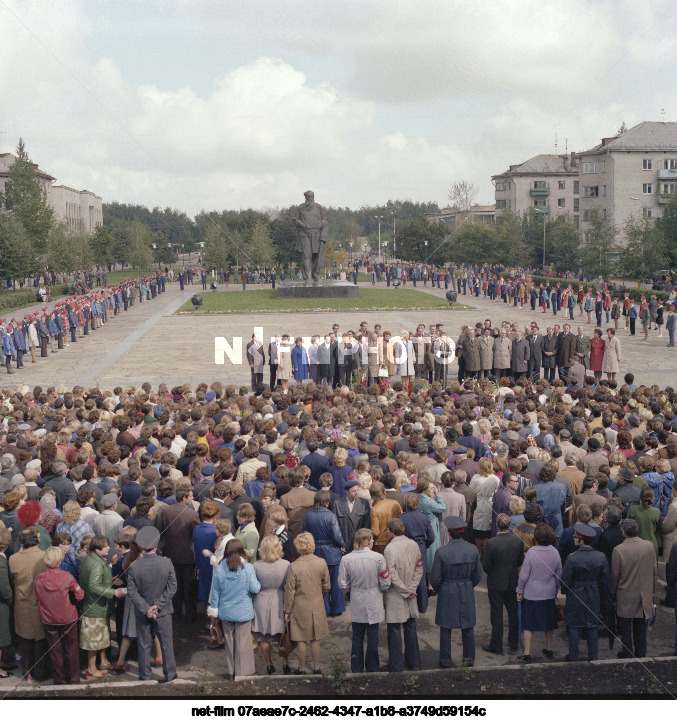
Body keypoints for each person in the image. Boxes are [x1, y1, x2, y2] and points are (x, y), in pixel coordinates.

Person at [125, 526, 178, 682]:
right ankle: (170, 675)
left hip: (142, 612)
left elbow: (131, 591)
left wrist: (146, 608)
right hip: (164, 611)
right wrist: (158, 605)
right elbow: (172, 587)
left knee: (143, 645)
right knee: (166, 645)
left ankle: (145, 676)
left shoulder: (134, 566)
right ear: (156, 545)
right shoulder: (167, 563)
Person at [430, 516, 483, 668]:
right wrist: (467, 584)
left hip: (448, 589)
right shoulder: (472, 550)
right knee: (467, 627)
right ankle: (468, 660)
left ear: (449, 533)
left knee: (445, 628)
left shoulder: (442, 552)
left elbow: (435, 579)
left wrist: (443, 588)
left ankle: (445, 660)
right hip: (466, 589)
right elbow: (478, 575)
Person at [338, 528, 391, 673]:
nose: (374, 541)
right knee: (373, 637)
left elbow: (342, 584)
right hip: (374, 599)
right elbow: (385, 582)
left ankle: (356, 667)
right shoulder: (378, 558)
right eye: (372, 539)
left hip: (357, 600)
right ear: (366, 541)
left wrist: (350, 591)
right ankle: (373, 668)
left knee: (357, 637)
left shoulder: (346, 559)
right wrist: (380, 588)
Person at [208, 538, 261, 680]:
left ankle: (231, 672)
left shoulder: (220, 568)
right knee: (243, 643)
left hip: (226, 612)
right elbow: (255, 588)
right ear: (241, 551)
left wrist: (213, 610)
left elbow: (216, 593)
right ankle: (242, 672)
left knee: (229, 642)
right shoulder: (248, 568)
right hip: (243, 612)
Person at [34, 546, 84, 684]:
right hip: (68, 617)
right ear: (60, 559)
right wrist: (73, 600)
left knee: (55, 652)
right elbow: (80, 594)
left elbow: (38, 597)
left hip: (49, 620)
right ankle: (74, 680)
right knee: (72, 650)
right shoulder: (68, 577)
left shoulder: (39, 578)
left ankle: (59, 681)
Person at [560, 523, 609, 662]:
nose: (574, 538)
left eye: (576, 537)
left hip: (575, 593)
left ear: (581, 541)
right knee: (592, 626)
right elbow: (605, 580)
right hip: (593, 593)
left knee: (574, 626)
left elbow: (565, 581)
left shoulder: (572, 558)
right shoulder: (600, 557)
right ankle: (593, 657)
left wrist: (565, 591)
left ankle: (574, 656)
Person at [283, 532, 331, 675]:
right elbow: (327, 586)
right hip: (317, 604)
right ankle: (316, 667)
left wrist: (287, 610)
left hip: (299, 606)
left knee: (301, 639)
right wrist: (319, 595)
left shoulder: (294, 566)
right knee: (315, 638)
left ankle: (302, 668)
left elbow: (290, 591)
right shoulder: (321, 562)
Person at [79, 534, 126, 678]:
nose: (109, 548)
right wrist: (114, 592)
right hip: (95, 607)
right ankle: (91, 669)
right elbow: (93, 586)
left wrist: (110, 580)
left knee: (102, 636)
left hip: (96, 606)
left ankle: (104, 662)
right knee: (93, 639)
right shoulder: (96, 564)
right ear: (96, 548)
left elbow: (94, 581)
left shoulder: (91, 559)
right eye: (105, 546)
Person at [610, 518, 657, 659]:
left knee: (625, 628)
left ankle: (627, 652)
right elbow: (654, 571)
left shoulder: (618, 550)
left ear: (623, 532)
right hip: (644, 594)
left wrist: (612, 592)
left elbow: (615, 575)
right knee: (640, 627)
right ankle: (641, 653)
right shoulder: (649, 546)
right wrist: (652, 590)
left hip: (625, 594)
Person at [516, 523, 561, 664]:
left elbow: (524, 575)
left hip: (531, 593)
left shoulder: (531, 552)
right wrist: (555, 589)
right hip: (548, 592)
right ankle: (548, 647)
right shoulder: (555, 552)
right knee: (548, 623)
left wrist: (519, 590)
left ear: (536, 537)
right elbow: (558, 575)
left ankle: (527, 651)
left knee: (528, 624)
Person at [383, 518, 423, 672]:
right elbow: (419, 567)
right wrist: (412, 588)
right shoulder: (413, 545)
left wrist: (405, 591)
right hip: (410, 592)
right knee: (411, 628)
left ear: (392, 531)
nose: (386, 532)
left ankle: (396, 664)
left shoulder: (389, 549)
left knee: (394, 630)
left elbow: (390, 574)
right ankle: (414, 663)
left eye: (387, 529)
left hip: (396, 594)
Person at [481, 513, 524, 655]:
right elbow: (519, 561)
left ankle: (496, 644)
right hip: (512, 580)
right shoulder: (518, 540)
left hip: (496, 582)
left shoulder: (492, 543)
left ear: (497, 526)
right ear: (509, 525)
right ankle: (513, 642)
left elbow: (486, 566)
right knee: (512, 613)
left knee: (497, 614)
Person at [303, 490, 345, 616]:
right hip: (332, 553)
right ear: (327, 502)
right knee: (334, 583)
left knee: (319, 583)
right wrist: (342, 545)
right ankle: (337, 608)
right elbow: (336, 535)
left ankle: (323, 608)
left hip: (315, 552)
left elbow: (305, 534)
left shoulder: (308, 515)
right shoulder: (331, 515)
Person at [253, 535, 290, 675]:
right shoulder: (286, 564)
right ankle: (285, 663)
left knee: (263, 635)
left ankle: (269, 664)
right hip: (279, 599)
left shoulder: (256, 566)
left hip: (261, 600)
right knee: (283, 634)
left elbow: (253, 586)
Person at [294, 190, 329, 282]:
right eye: (309, 197)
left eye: (312, 196)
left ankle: (315, 274)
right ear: (305, 197)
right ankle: (307, 276)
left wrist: (321, 224)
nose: (310, 198)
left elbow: (325, 219)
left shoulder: (319, 207)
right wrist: (301, 224)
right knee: (306, 255)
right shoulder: (300, 208)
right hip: (304, 234)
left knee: (316, 255)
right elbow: (295, 220)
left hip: (316, 234)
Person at [333, 480, 371, 553]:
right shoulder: (338, 503)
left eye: (357, 490)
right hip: (344, 544)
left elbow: (366, 525)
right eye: (353, 491)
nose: (356, 493)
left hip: (359, 544)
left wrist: (363, 543)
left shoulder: (364, 503)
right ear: (347, 492)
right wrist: (340, 544)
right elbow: (335, 526)